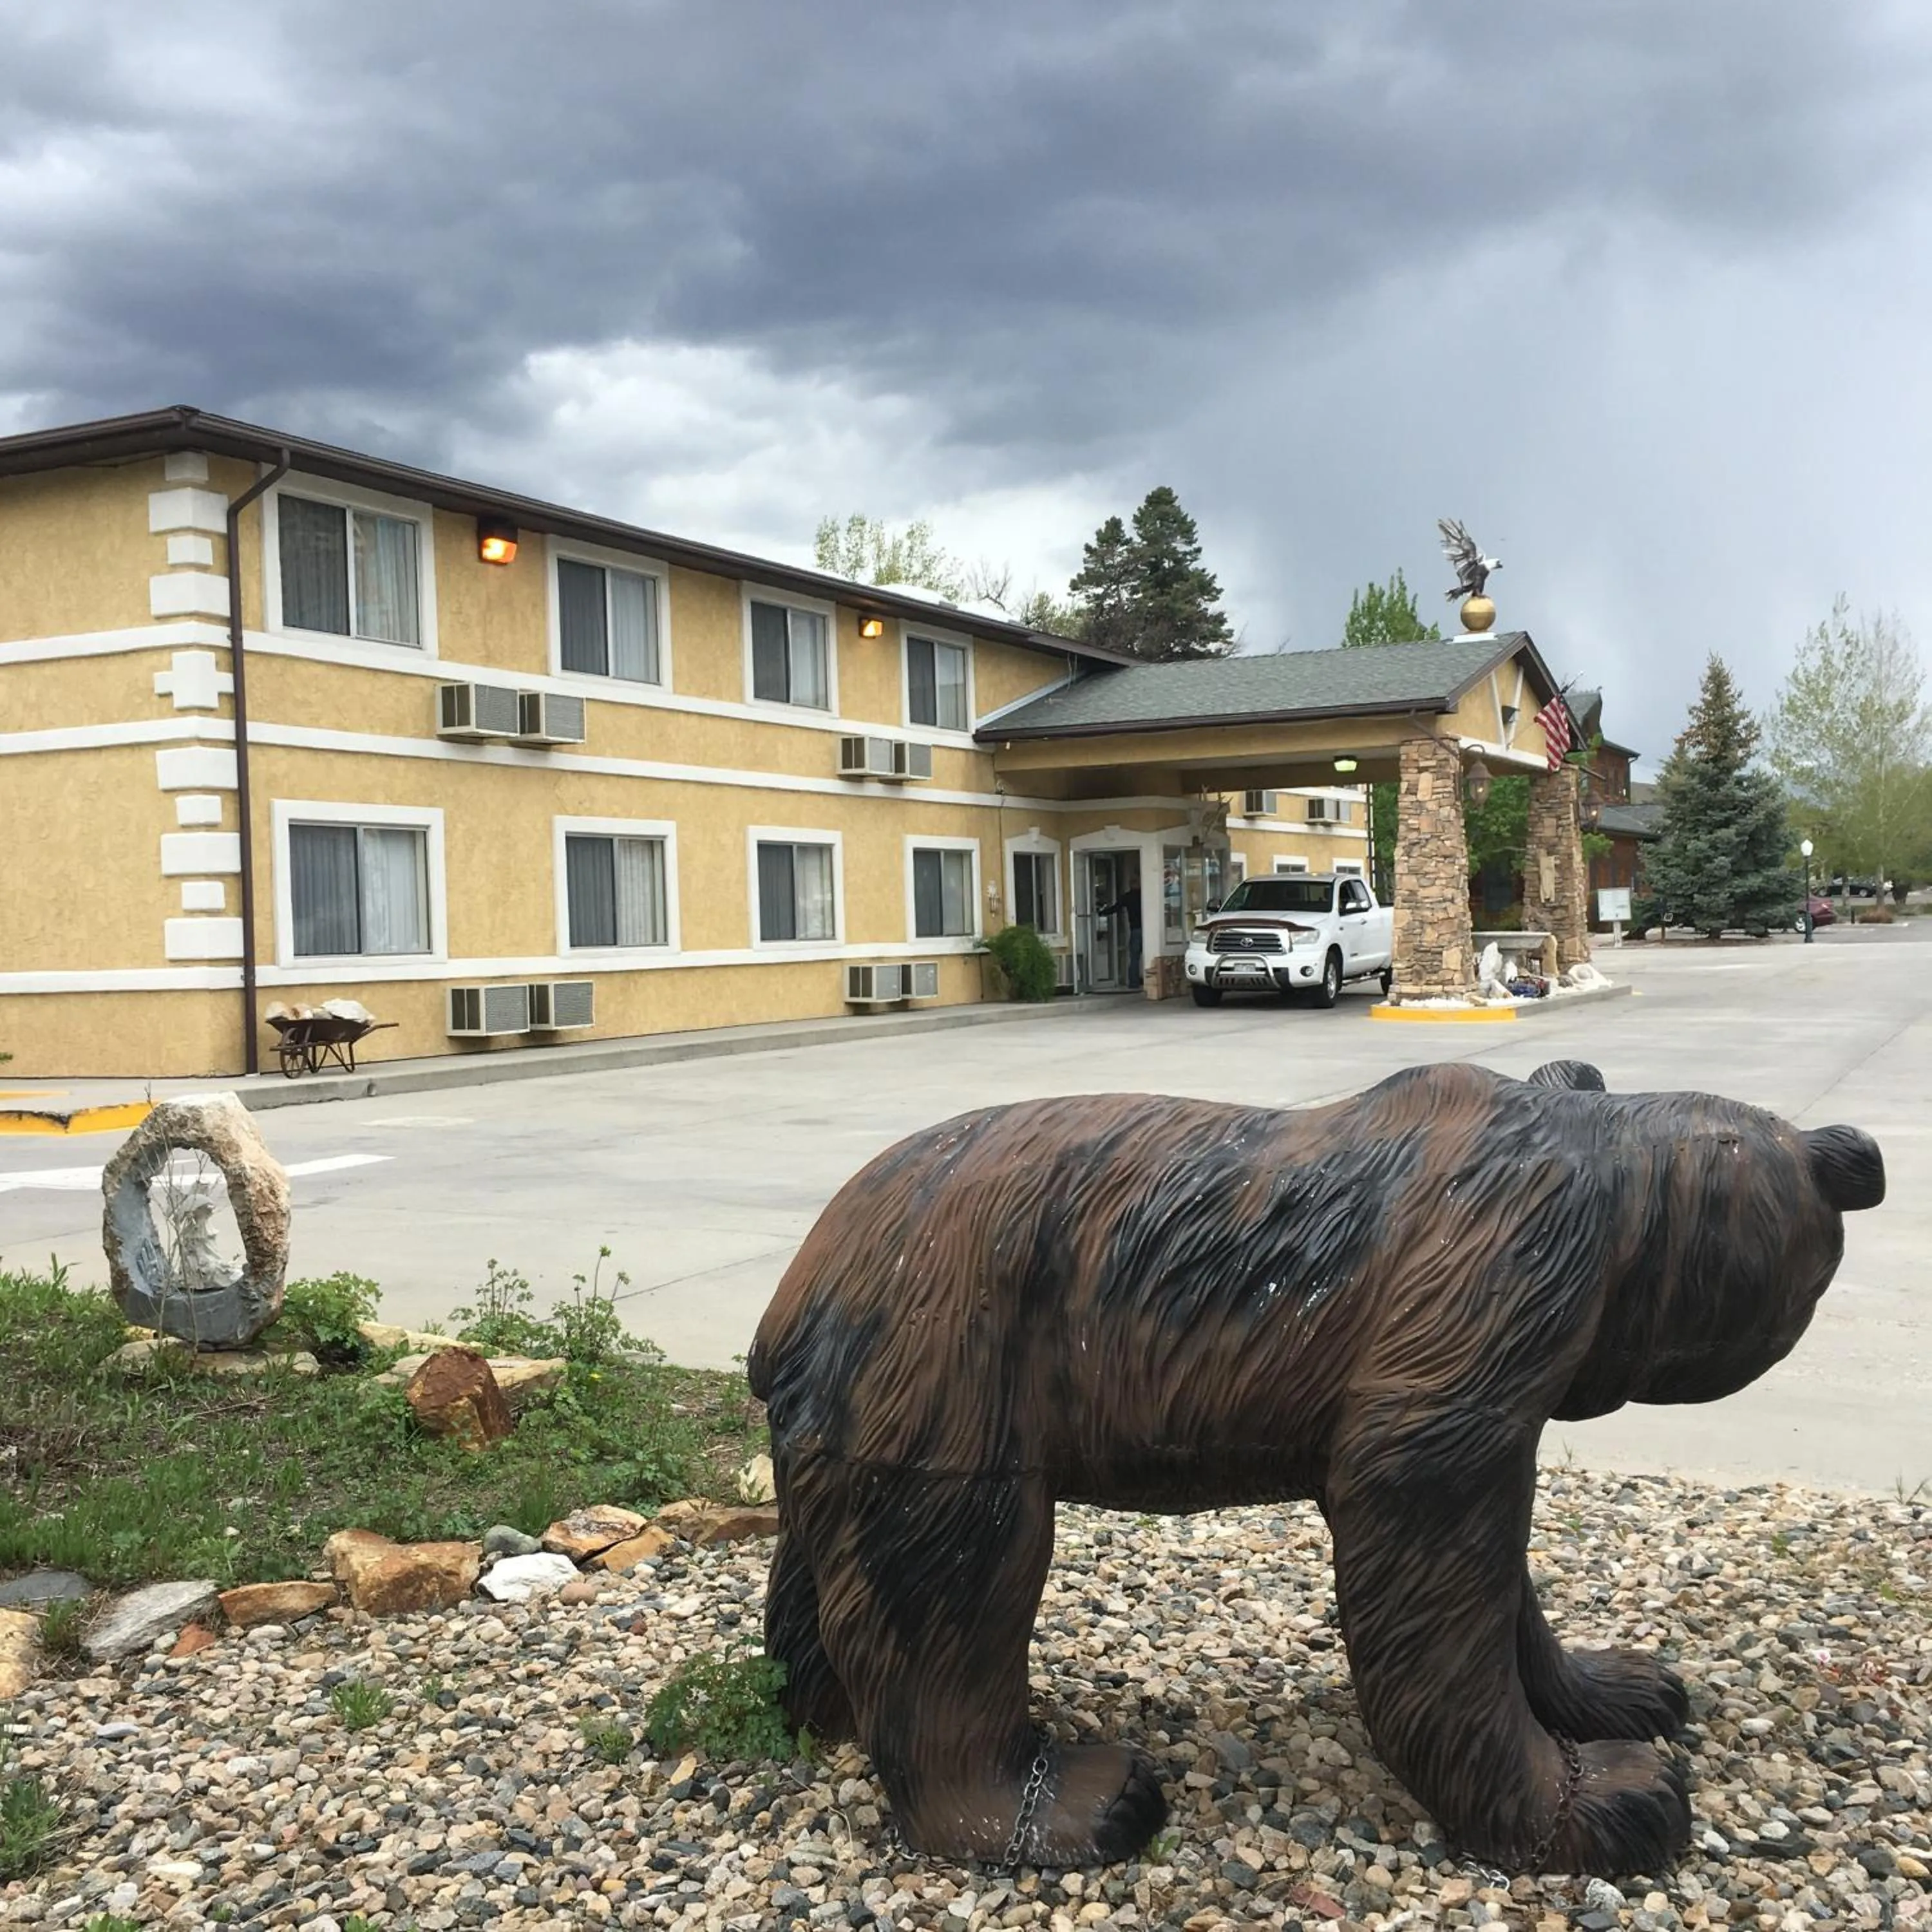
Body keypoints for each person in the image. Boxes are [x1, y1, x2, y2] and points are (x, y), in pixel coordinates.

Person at [1097, 879, 1143, 984]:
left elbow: (1116, 908)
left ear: (1131, 885)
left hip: (1135, 929)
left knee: (1134, 958)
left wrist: (1102, 913)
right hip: (1147, 929)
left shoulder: (1128, 897)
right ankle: (1143, 980)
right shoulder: (1144, 895)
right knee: (1149, 954)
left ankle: (1134, 983)